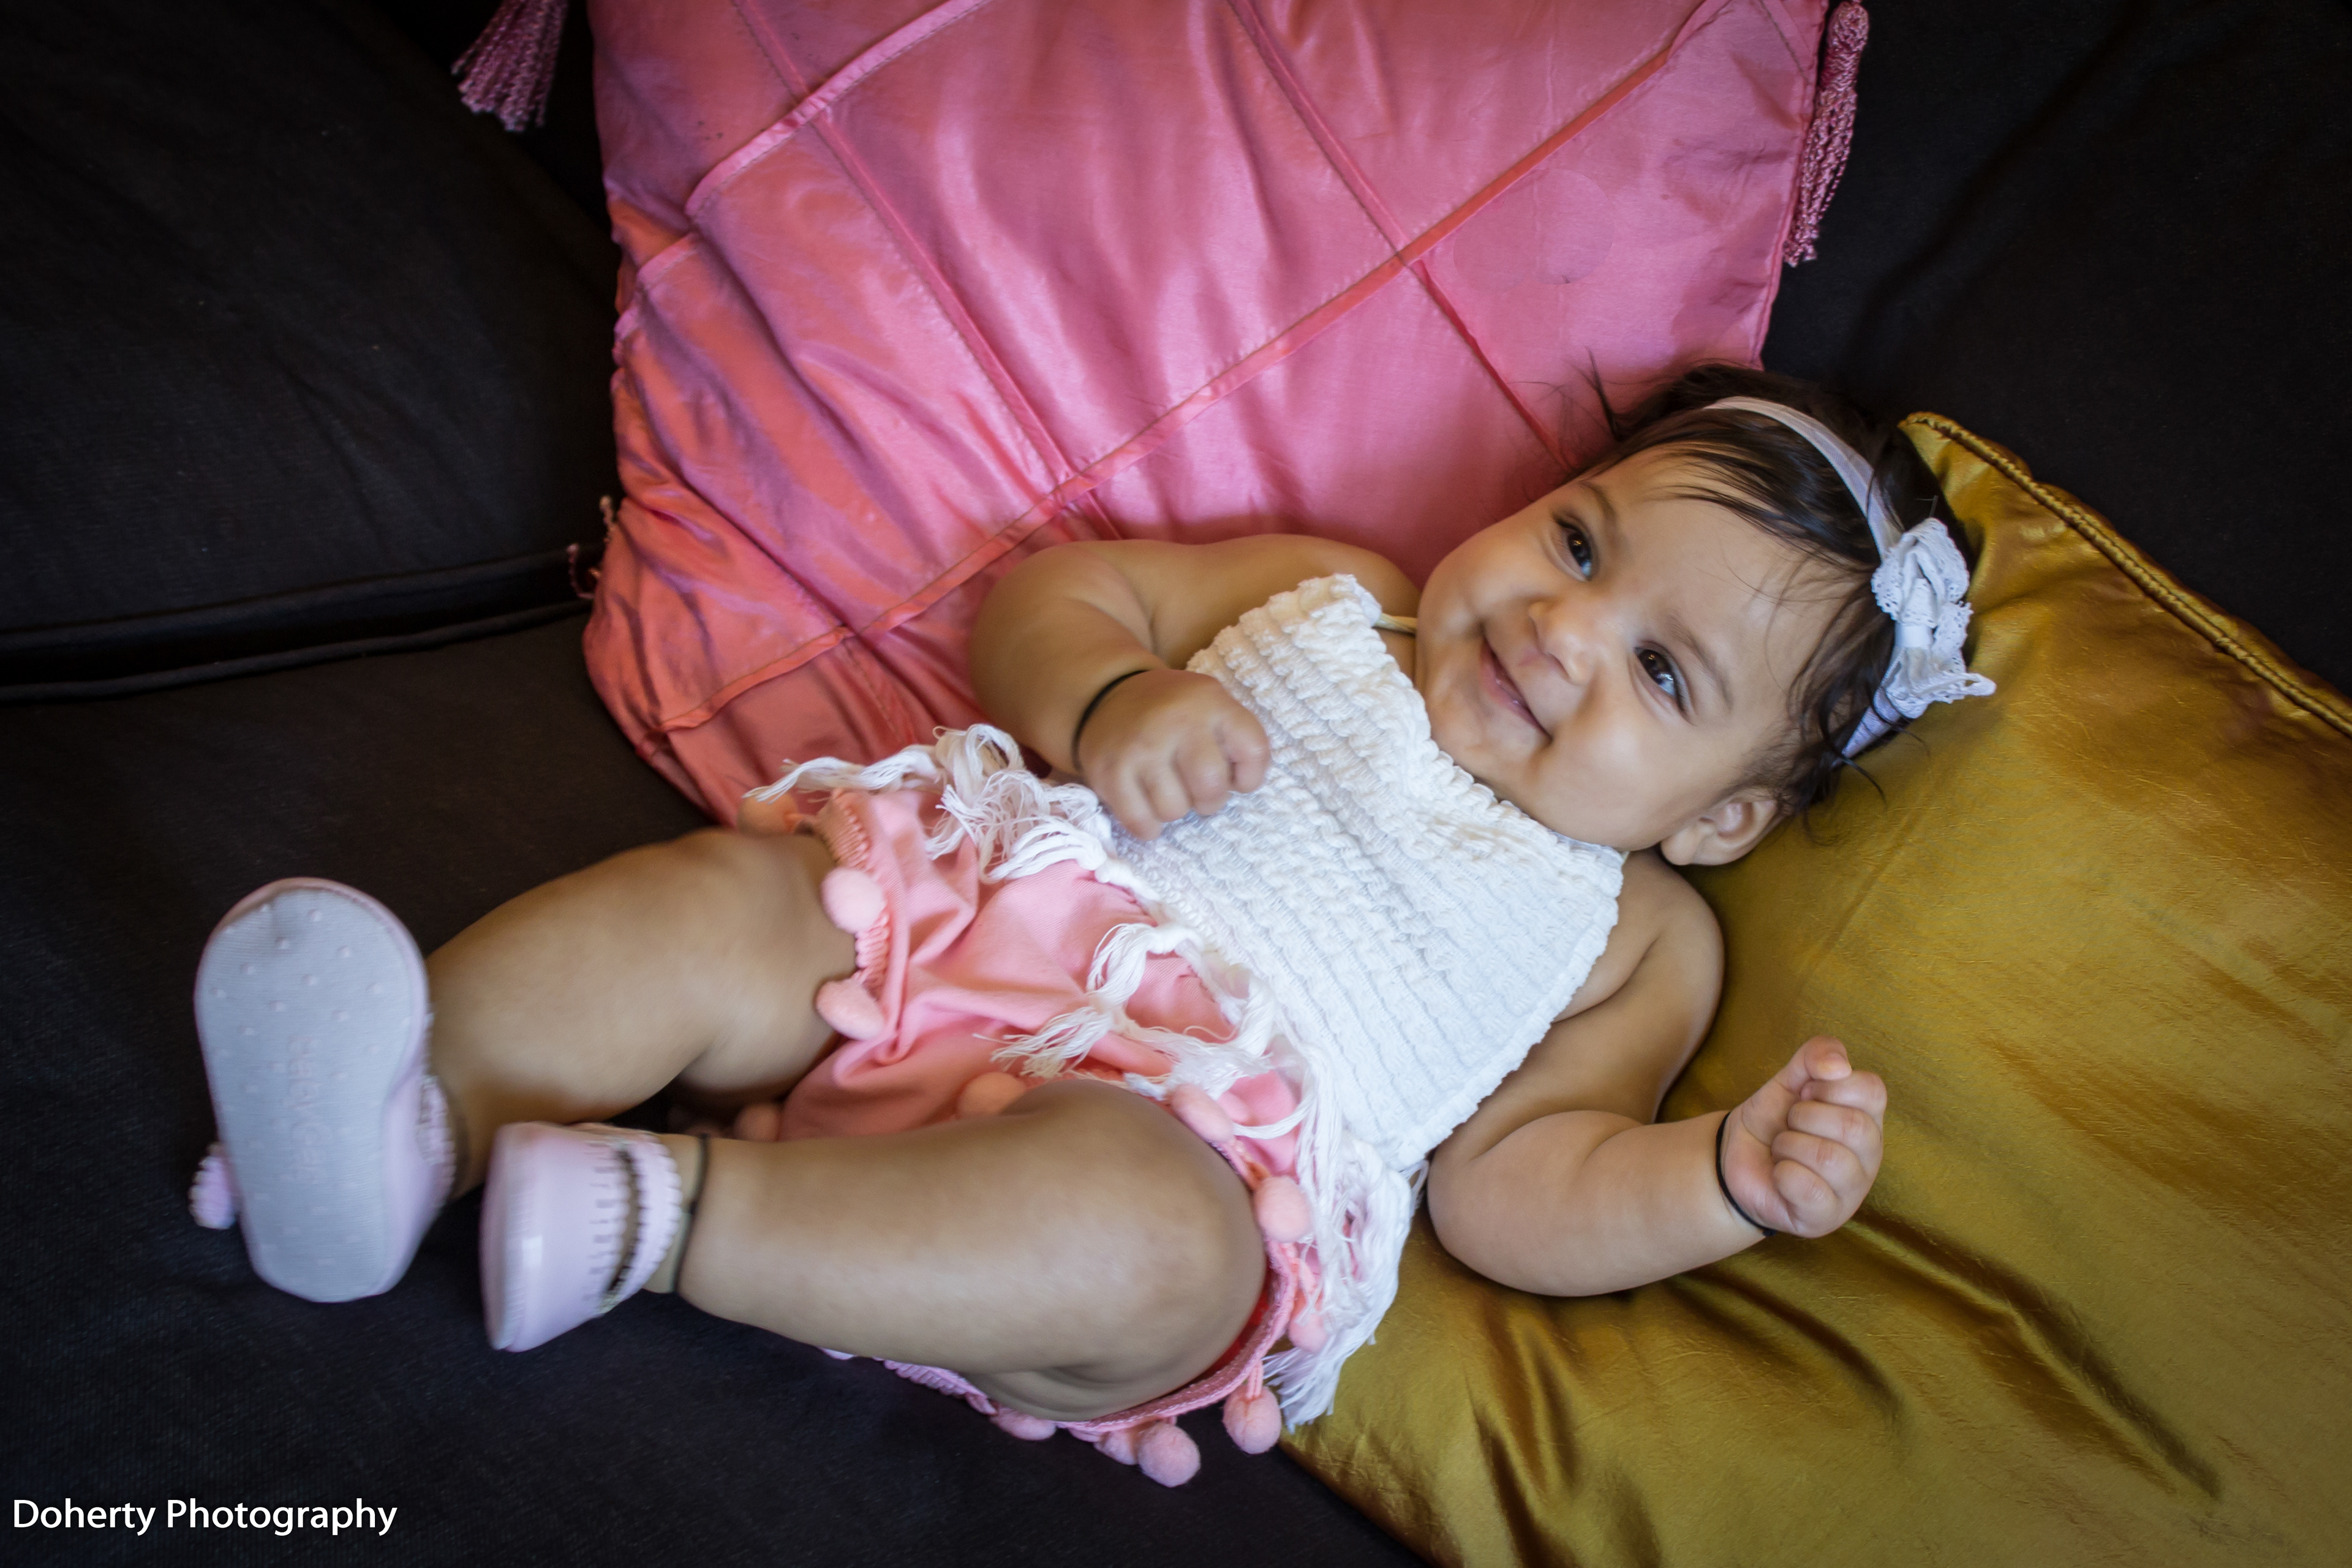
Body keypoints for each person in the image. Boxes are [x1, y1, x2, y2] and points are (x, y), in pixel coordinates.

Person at [187, 365, 1988, 1485]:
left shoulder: (1636, 939)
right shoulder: (1340, 601)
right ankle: (393, 1124)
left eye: (1662, 673)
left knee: (1155, 1255)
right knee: (725, 909)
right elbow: (1059, 596)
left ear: (1724, 817)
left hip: (1181, 1149)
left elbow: (1515, 1192)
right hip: (933, 933)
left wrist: (1718, 1183)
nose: (1562, 628)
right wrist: (1113, 693)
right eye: (1580, 544)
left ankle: (651, 1217)